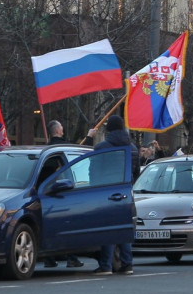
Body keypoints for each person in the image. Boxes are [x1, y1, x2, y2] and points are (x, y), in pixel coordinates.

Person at [44, 120, 97, 268]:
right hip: (65, 193)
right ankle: (72, 257)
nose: (63, 129)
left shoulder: (47, 149)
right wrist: (90, 137)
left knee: (52, 227)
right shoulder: (62, 147)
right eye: (61, 127)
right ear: (58, 131)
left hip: (47, 194)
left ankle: (49, 257)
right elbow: (81, 154)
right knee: (69, 227)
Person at [93, 115, 140, 275]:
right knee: (124, 229)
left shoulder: (101, 148)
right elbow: (136, 172)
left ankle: (106, 265)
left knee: (108, 229)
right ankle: (128, 264)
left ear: (109, 129)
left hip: (107, 192)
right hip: (126, 192)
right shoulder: (133, 148)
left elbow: (94, 172)